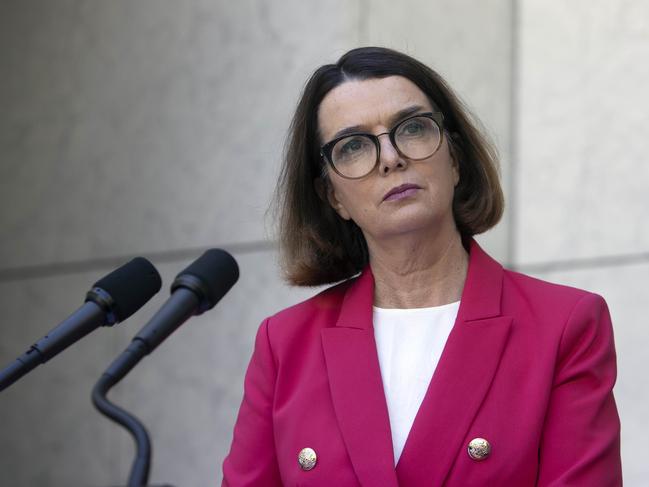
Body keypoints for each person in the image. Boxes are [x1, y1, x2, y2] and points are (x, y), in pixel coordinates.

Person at [222, 47, 622, 486]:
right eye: (353, 145)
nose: (391, 157)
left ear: (454, 158)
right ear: (332, 195)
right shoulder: (285, 345)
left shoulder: (563, 325)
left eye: (412, 128)